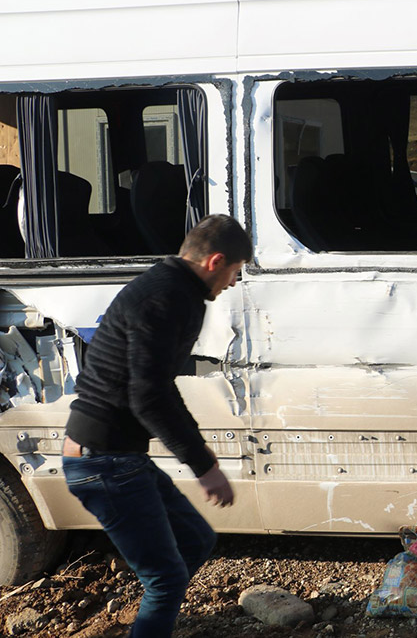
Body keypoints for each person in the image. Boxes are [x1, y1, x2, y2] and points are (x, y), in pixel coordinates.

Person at [62, 214, 251, 637]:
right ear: (215, 261)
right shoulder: (166, 298)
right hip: (104, 461)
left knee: (195, 541)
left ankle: (152, 625)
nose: (234, 283)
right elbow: (147, 396)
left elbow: (159, 388)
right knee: (164, 580)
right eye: (236, 272)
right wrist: (204, 466)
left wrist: (201, 457)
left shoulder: (172, 290)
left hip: (117, 456)